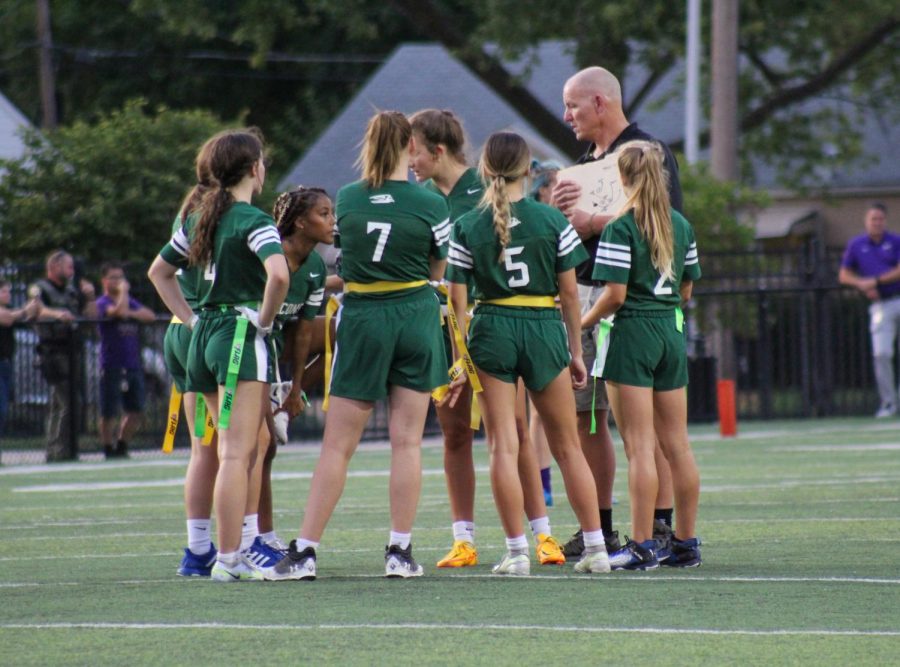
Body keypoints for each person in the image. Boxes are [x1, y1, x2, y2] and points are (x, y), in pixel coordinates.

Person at [267, 110, 449, 581]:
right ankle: (399, 551)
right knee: (407, 440)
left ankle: (305, 551)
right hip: (414, 315)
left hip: (365, 317)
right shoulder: (431, 204)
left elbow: (348, 264)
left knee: (337, 446)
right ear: (411, 146)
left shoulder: (347, 198)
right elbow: (437, 271)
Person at [444, 131, 610, 575]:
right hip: (542, 328)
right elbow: (571, 295)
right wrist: (576, 351)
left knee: (503, 443)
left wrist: (461, 355)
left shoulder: (467, 224)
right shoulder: (552, 220)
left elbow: (455, 300)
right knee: (567, 446)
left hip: (492, 328)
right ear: (529, 170)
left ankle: (517, 552)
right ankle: (596, 548)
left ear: (484, 170)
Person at [409, 109, 564, 570]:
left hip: (493, 326)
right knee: (455, 432)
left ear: (439, 150)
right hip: (444, 328)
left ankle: (541, 535)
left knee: (511, 431)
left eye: (413, 150)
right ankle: (464, 539)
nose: (409, 160)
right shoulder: (418, 199)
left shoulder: (486, 186)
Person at [551, 66, 685, 561]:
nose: (567, 116)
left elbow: (664, 220)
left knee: (642, 427)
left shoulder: (646, 150)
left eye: (574, 105)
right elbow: (573, 231)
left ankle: (660, 527)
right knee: (590, 417)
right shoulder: (586, 161)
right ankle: (600, 529)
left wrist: (592, 219)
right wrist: (559, 207)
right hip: (587, 291)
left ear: (601, 103)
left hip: (632, 304)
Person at [149, 128, 289, 582]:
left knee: (224, 449)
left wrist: (192, 320)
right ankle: (232, 556)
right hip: (238, 338)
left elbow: (159, 272)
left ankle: (222, 553)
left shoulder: (199, 218)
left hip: (205, 336)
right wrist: (264, 321)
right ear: (253, 169)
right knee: (236, 453)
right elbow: (279, 276)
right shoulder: (254, 220)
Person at [582, 140, 702, 570]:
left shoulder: (619, 227)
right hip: (670, 331)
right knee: (678, 446)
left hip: (632, 332)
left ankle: (642, 545)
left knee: (639, 447)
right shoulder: (680, 225)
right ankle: (686, 543)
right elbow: (686, 289)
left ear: (623, 177)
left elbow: (613, 296)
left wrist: (580, 323)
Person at [243, 186, 332, 567]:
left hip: (272, 352)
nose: (332, 222)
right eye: (324, 214)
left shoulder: (314, 268)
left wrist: (296, 388)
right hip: (244, 347)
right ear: (299, 221)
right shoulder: (268, 254)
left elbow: (303, 332)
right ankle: (251, 537)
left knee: (342, 329)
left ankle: (261, 533)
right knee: (258, 447)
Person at [31, 251, 98, 462]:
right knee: (68, 402)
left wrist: (90, 297)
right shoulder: (40, 288)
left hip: (72, 350)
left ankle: (55, 449)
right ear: (54, 266)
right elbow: (35, 311)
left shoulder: (71, 290)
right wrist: (57, 314)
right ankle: (60, 450)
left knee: (58, 405)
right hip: (53, 352)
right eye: (68, 267)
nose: (72, 271)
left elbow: (90, 316)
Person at [838, 203, 900, 417]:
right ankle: (889, 403)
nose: (877, 223)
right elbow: (844, 275)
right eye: (873, 219)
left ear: (885, 220)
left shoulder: (895, 241)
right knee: (881, 353)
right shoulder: (857, 245)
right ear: (866, 221)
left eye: (880, 219)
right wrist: (863, 285)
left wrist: (876, 281)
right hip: (881, 304)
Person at [95, 262, 156, 459]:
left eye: (121, 277)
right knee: (109, 411)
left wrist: (130, 310)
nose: (119, 281)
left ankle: (122, 444)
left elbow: (149, 316)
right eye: (114, 277)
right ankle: (107, 447)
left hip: (132, 364)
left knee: (135, 409)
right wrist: (123, 297)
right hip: (111, 364)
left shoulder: (129, 302)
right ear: (104, 281)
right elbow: (118, 312)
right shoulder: (103, 302)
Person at [0, 281, 40, 439]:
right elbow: (7, 319)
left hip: (6, 364)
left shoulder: (10, 310)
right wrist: (24, 310)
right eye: (3, 291)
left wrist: (34, 304)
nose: (7, 294)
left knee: (3, 406)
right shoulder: (6, 313)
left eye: (8, 291)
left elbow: (25, 319)